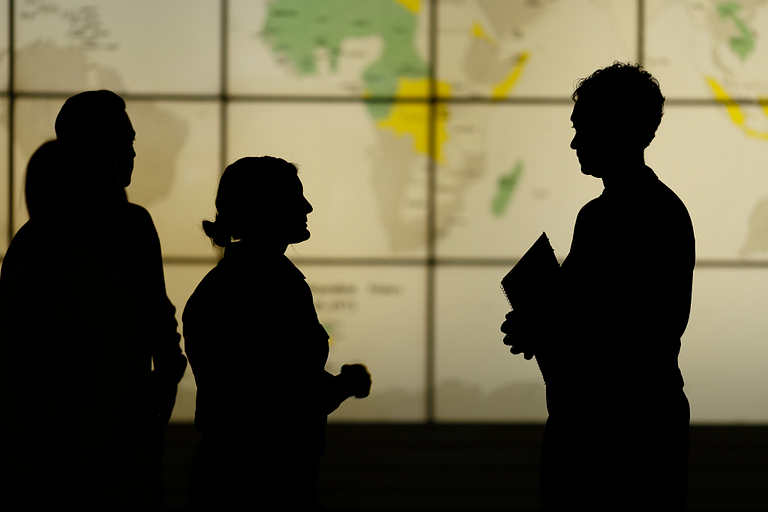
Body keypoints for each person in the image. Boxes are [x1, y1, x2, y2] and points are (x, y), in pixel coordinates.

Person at [501, 62, 694, 510]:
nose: (574, 142)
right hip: (618, 420)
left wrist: (544, 326)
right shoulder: (629, 213)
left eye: (583, 128)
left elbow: (636, 332)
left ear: (618, 130)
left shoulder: (636, 216)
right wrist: (541, 323)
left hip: (621, 429)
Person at [0, 90, 187, 508]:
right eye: (122, 141)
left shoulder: (132, 227)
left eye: (131, 141)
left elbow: (158, 314)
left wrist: (168, 369)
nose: (132, 152)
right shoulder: (100, 256)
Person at [183, 156, 372, 510]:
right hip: (262, 488)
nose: (307, 207)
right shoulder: (266, 286)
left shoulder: (234, 283)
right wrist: (345, 384)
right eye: (295, 197)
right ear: (266, 210)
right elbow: (284, 395)